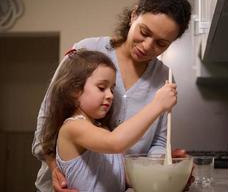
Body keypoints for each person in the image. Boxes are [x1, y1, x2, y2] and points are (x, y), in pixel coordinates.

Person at [32, 0, 191, 191]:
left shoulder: (165, 78)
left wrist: (160, 170)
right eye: (144, 32)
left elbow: (158, 141)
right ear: (134, 15)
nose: (147, 46)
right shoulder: (86, 50)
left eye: (161, 43)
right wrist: (55, 167)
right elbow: (49, 115)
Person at [40, 49, 177, 191]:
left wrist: (169, 174)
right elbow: (115, 142)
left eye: (112, 89)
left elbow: (123, 178)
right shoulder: (73, 127)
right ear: (75, 90)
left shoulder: (102, 129)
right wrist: (157, 105)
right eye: (101, 88)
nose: (110, 95)